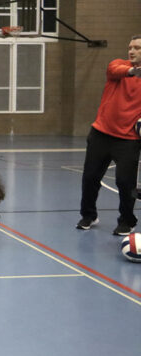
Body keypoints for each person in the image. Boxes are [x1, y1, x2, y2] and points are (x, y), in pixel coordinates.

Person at [77, 35, 141, 236]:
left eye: (137, 48)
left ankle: (127, 220)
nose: (131, 51)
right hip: (101, 134)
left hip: (129, 139)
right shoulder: (119, 65)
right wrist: (133, 71)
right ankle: (89, 215)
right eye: (130, 47)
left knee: (125, 182)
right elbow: (115, 70)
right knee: (90, 177)